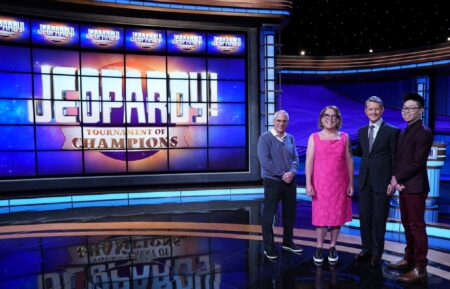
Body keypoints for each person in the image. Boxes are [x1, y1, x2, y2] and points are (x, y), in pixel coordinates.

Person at [386, 92, 433, 283]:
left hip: (415, 186)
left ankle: (420, 267)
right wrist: (395, 180)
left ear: (421, 111)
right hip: (403, 185)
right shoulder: (404, 131)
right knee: (407, 225)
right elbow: (398, 159)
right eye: (404, 108)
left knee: (417, 227)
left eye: (411, 108)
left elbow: (417, 163)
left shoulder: (424, 132)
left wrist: (396, 178)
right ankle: (409, 258)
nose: (406, 112)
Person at [353, 96, 400, 267]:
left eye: (376, 109)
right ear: (366, 111)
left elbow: (396, 158)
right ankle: (366, 249)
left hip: (383, 182)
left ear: (382, 111)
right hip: (365, 181)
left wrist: (393, 179)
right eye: (370, 109)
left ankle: (377, 252)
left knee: (379, 219)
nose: (373, 112)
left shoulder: (392, 131)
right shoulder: (361, 131)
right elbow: (363, 152)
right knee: (364, 218)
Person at [305, 105, 353, 265]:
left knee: (336, 217)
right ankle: (319, 247)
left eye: (334, 116)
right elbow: (309, 162)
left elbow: (349, 161)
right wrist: (308, 184)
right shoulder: (314, 137)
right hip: (320, 184)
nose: (330, 118)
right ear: (321, 118)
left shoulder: (345, 137)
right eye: (327, 115)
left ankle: (333, 246)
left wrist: (351, 183)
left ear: (338, 119)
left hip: (340, 184)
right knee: (320, 217)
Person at [257, 110, 303, 260]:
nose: (281, 123)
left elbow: (295, 158)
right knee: (269, 216)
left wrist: (292, 172)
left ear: (287, 123)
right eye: (278, 120)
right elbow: (265, 162)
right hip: (273, 182)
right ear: (273, 121)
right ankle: (269, 247)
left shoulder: (290, 138)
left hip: (290, 181)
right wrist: (284, 174)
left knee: (290, 215)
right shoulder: (265, 138)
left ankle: (288, 242)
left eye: (284, 121)